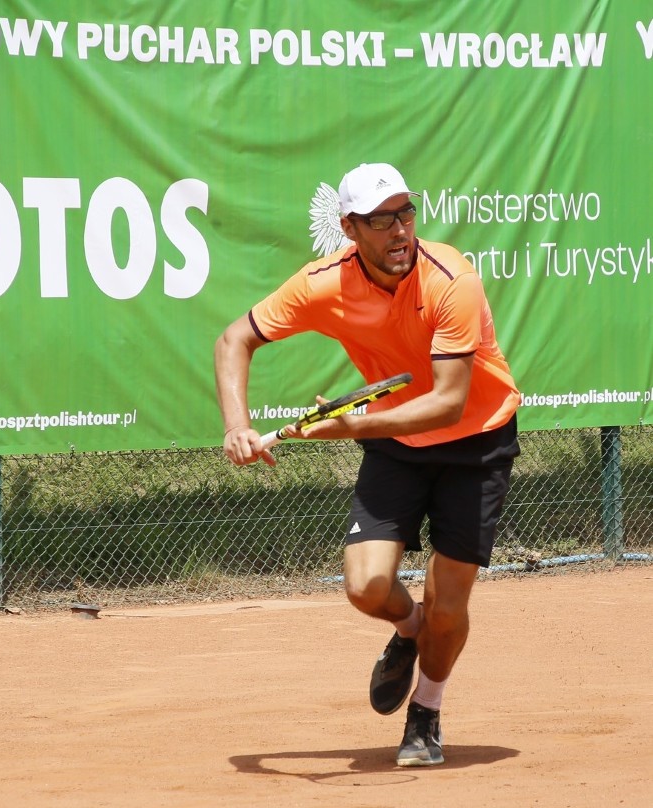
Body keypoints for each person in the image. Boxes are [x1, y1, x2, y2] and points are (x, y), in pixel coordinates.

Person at [214, 162, 520, 767]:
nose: (400, 231)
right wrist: (237, 426)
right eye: (383, 220)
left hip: (475, 442)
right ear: (350, 229)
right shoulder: (323, 283)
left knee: (450, 602)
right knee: (366, 586)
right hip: (395, 444)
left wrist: (353, 425)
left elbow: (448, 401)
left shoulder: (451, 278)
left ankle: (426, 713)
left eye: (406, 214)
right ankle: (410, 631)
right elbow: (234, 340)